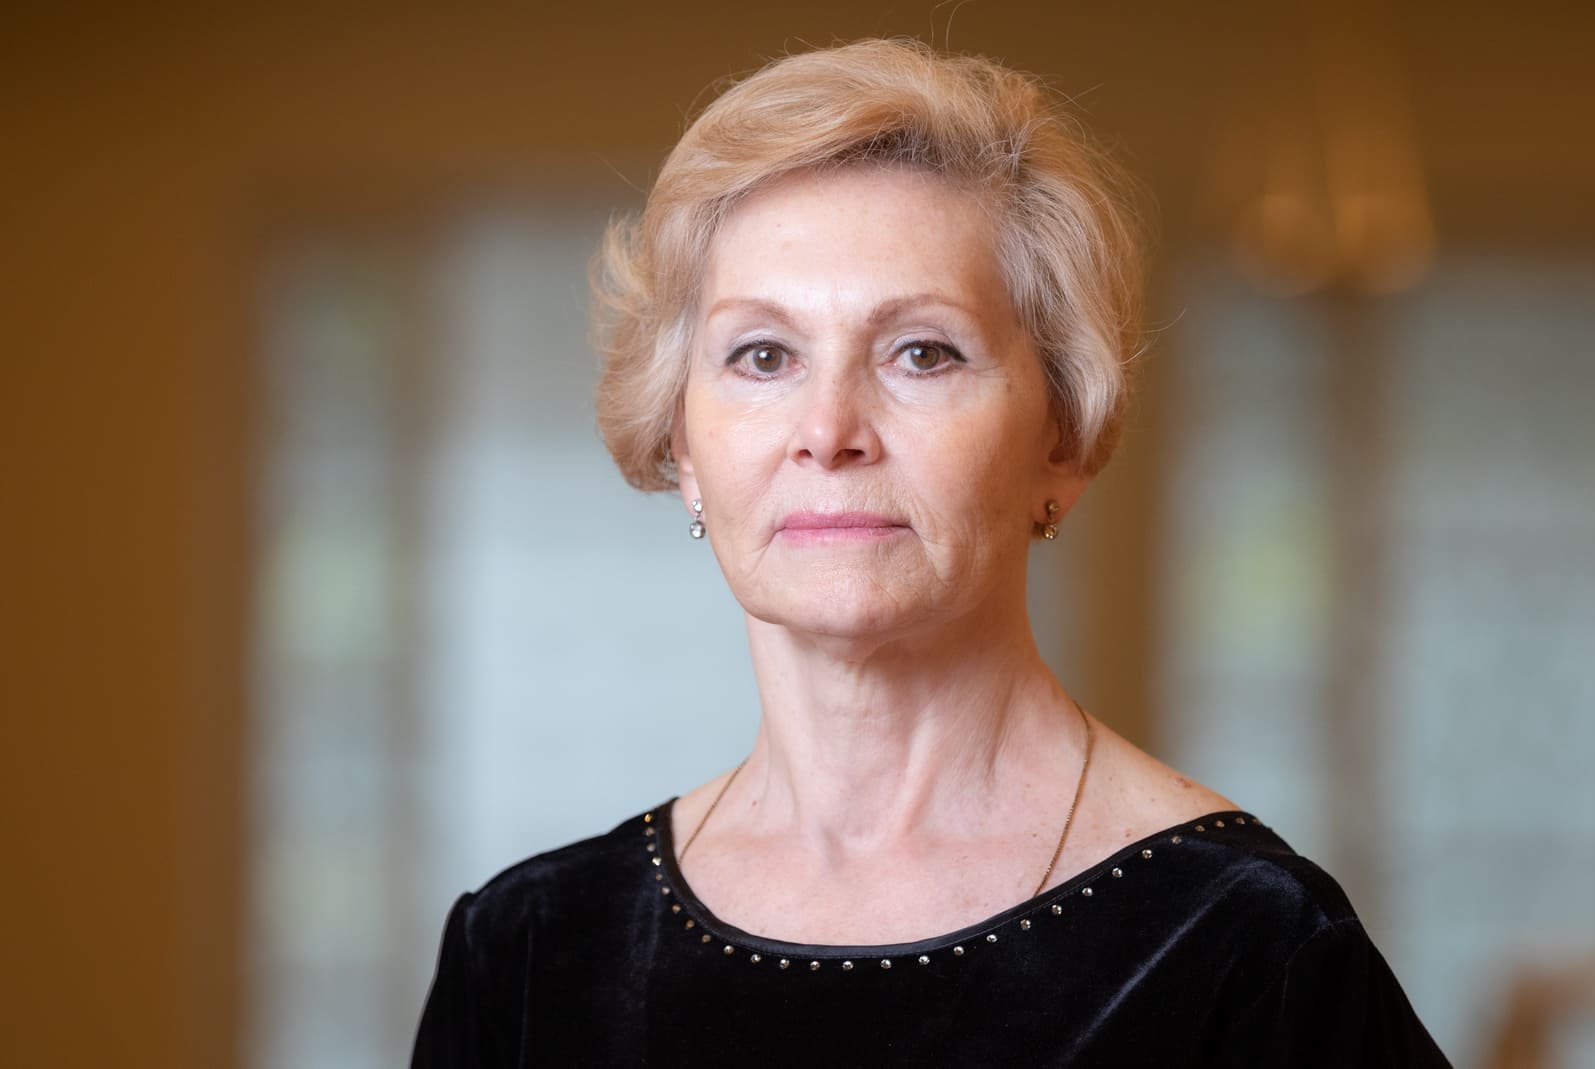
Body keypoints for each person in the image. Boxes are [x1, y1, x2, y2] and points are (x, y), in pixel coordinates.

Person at [411, 37, 1449, 1067]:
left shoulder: (1252, 946)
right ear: (683, 446)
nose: (829, 430)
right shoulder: (528, 952)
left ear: (1062, 438)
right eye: (762, 355)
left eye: (922, 351)